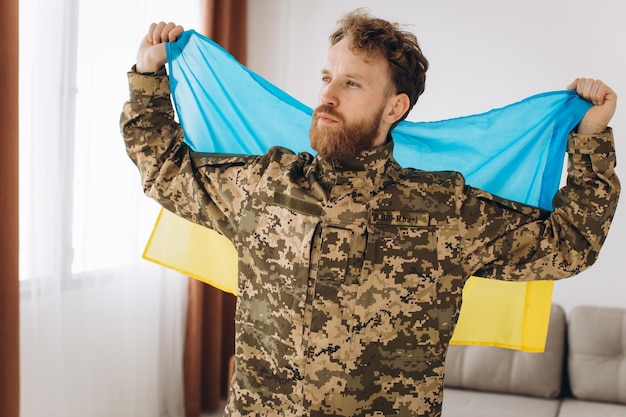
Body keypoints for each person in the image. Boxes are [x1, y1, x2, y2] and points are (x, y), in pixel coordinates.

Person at [121, 10, 620, 417]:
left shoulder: (444, 209)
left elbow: (570, 242)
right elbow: (165, 167)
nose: (327, 97)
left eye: (352, 84)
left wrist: (592, 138)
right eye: (325, 77)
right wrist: (148, 72)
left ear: (395, 106)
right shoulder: (266, 185)